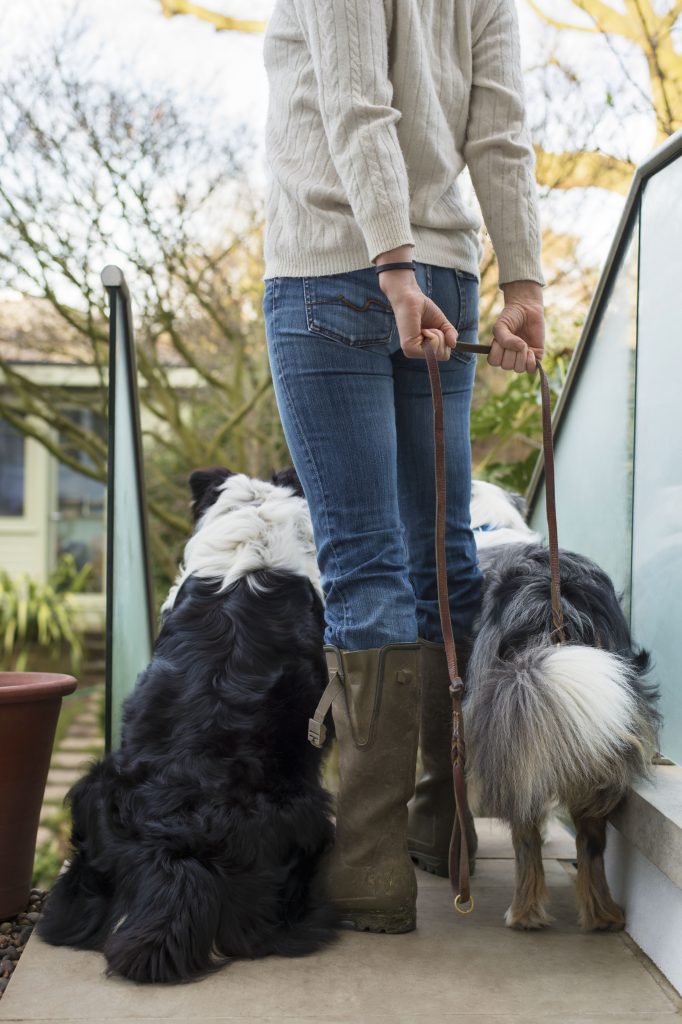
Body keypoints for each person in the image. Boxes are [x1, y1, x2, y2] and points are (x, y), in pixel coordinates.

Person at [261, 0, 545, 934]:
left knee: (368, 563)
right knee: (439, 555)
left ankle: (374, 867)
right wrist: (523, 284)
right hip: (453, 277)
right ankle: (443, 822)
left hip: (338, 265)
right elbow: (500, 128)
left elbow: (354, 101)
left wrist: (391, 263)